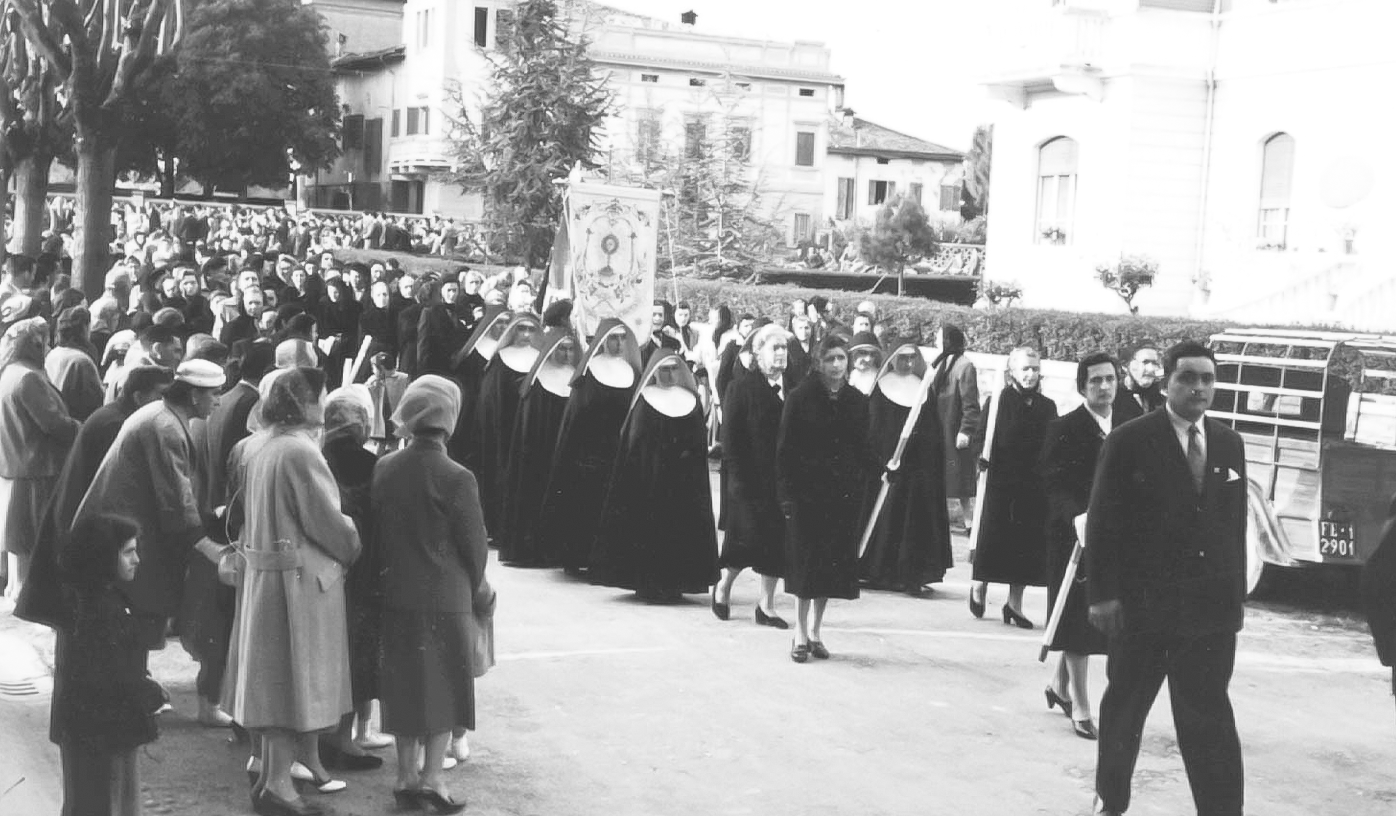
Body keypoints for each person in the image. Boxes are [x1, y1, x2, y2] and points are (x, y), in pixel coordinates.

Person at [1086, 341, 1247, 816]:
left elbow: (1233, 527)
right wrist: (1103, 596)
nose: (1199, 388)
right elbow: (1102, 521)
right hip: (1142, 608)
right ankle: (1109, 801)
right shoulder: (1131, 439)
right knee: (1125, 711)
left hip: (1208, 614)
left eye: (1207, 379)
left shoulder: (1229, 442)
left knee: (1209, 719)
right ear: (1166, 383)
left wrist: (1234, 599)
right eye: (1188, 378)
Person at [223, 366, 361, 813]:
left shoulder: (262, 446)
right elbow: (325, 521)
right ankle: (280, 785)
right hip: (298, 585)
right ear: (305, 401)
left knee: (271, 682)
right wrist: (352, 536)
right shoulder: (300, 452)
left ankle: (270, 779)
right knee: (291, 684)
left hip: (268, 577)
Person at [375, 375, 491, 815]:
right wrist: (476, 586)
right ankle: (432, 779)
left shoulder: (385, 467)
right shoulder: (458, 476)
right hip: (446, 596)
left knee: (402, 687)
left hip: (396, 593)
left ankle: (404, 777)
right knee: (445, 688)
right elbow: (474, 547)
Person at [72, 359, 228, 652]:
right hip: (117, 535)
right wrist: (204, 543)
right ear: (195, 395)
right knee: (137, 619)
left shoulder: (163, 415)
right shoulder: (165, 425)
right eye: (215, 394)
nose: (219, 402)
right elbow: (176, 498)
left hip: (121, 529)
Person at [15, 364, 173, 630]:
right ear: (138, 396)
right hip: (85, 520)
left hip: (77, 514)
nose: (163, 404)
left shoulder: (114, 416)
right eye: (158, 396)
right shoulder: (117, 423)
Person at [182, 341, 275, 729]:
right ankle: (215, 699)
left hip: (214, 517)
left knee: (216, 621)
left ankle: (214, 695)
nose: (215, 399)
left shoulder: (224, 404)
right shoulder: (244, 410)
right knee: (223, 622)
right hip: (224, 524)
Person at [51, 514, 163, 816]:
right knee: (109, 801)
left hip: (90, 729)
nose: (137, 559)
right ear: (102, 557)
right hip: (105, 733)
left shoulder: (88, 602)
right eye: (128, 552)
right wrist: (149, 693)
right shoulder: (102, 611)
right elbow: (111, 675)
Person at [590, 351, 719, 601]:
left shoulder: (690, 401)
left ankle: (677, 583)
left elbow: (697, 445)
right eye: (663, 370)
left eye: (673, 369)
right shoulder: (645, 400)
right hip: (650, 481)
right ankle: (647, 583)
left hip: (682, 484)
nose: (669, 375)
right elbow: (635, 442)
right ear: (654, 373)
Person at [776, 334, 873, 662]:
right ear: (819, 362)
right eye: (830, 358)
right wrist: (786, 495)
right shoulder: (800, 398)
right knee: (806, 568)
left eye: (841, 358)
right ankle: (799, 632)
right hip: (807, 496)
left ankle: (816, 631)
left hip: (842, 497)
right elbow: (785, 451)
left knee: (829, 569)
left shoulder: (858, 401)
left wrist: (875, 473)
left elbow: (864, 449)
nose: (836, 365)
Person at [1039, 352, 1119, 741]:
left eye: (1109, 379)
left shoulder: (1130, 427)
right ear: (1082, 387)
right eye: (1095, 381)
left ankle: (1057, 683)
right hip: (1073, 538)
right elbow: (1053, 484)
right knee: (1075, 622)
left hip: (1115, 540)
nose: (1104, 387)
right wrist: (1076, 517)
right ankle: (1082, 707)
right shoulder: (1065, 428)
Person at [321, 385, 393, 766]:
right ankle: (342, 739)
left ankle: (325, 735)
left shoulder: (316, 455)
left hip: (321, 570)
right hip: (359, 572)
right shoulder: (370, 465)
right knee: (354, 655)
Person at [537, 320, 643, 574]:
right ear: (603, 340)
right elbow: (577, 415)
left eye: (622, 339)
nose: (618, 344)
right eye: (613, 338)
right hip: (589, 451)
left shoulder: (632, 371)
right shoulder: (590, 372)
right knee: (585, 505)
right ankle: (576, 557)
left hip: (619, 448)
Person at [969, 347, 1057, 627]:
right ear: (1012, 373)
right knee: (993, 538)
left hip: (1031, 485)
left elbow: (1051, 442)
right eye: (1024, 369)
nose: (1030, 374)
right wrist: (980, 458)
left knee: (1025, 545)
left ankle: (1014, 604)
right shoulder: (998, 402)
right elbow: (981, 437)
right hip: (1001, 482)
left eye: (1034, 368)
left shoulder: (1047, 406)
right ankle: (980, 584)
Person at [713, 324, 792, 627]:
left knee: (775, 544)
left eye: (785, 348)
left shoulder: (793, 387)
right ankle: (723, 587)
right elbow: (731, 440)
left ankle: (766, 607)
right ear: (758, 354)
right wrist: (738, 483)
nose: (782, 353)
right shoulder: (741, 388)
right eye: (775, 348)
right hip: (749, 480)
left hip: (781, 481)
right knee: (743, 541)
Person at [859, 343, 953, 595]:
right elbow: (874, 429)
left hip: (912, 471)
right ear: (892, 359)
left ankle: (907, 575)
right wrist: (883, 462)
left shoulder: (923, 390)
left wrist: (914, 458)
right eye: (902, 358)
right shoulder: (880, 388)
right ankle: (872, 572)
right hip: (883, 470)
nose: (908, 363)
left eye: (912, 358)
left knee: (909, 522)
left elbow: (931, 433)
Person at [1, 317, 80, 602]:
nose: (48, 346)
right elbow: (53, 424)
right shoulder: (29, 377)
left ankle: (17, 589)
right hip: (38, 466)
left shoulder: (9, 372)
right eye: (43, 341)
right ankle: (30, 595)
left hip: (17, 464)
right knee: (32, 535)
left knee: (16, 535)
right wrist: (82, 429)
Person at [499, 330, 579, 566]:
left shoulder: (577, 377)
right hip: (540, 449)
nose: (566, 353)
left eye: (570, 349)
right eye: (561, 348)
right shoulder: (539, 380)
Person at [473, 312, 542, 534]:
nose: (526, 334)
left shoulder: (540, 359)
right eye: (521, 329)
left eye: (531, 330)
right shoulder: (500, 359)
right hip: (502, 431)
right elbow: (490, 401)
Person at [445, 307, 511, 470]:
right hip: (473, 403)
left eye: (507, 323)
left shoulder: (510, 350)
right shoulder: (476, 349)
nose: (503, 327)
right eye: (499, 323)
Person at [931, 324, 980, 531]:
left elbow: (971, 403)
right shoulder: (941, 363)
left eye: (939, 337)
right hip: (938, 427)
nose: (936, 341)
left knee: (960, 483)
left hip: (953, 428)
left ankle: (969, 522)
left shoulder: (964, 366)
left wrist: (966, 430)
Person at [46, 306, 104, 421]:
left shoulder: (52, 354)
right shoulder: (81, 361)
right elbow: (97, 400)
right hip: (77, 424)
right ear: (85, 328)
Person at [1112, 344, 1165, 423]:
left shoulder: (1162, 401)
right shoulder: (1113, 399)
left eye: (1154, 363)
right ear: (1125, 366)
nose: (1151, 369)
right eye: (1145, 362)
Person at [846, 331, 883, 396]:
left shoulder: (880, 382)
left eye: (872, 354)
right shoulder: (843, 376)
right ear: (851, 354)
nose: (868, 359)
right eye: (863, 353)